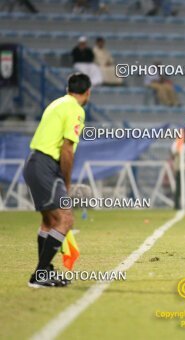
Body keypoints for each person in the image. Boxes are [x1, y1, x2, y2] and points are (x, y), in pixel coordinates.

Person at [23, 73, 91, 288]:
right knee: (66, 219)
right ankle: (40, 274)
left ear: (67, 88)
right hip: (47, 165)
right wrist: (66, 181)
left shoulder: (56, 104)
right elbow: (67, 149)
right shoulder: (76, 110)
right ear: (88, 92)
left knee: (49, 221)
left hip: (33, 162)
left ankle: (45, 271)